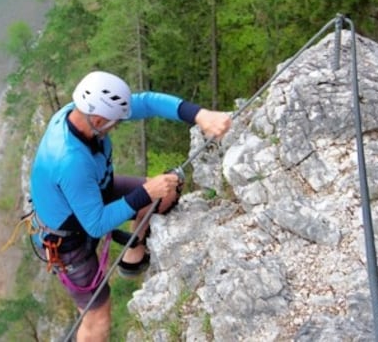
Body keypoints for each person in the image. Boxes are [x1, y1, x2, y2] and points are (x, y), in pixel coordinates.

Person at [29, 71, 232, 341]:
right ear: (99, 120)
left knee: (165, 196)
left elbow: (147, 102)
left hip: (95, 193)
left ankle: (132, 255)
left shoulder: (80, 113)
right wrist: (146, 191)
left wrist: (201, 115)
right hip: (67, 240)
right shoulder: (70, 160)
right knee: (97, 317)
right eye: (114, 123)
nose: (117, 127)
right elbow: (96, 224)